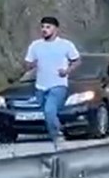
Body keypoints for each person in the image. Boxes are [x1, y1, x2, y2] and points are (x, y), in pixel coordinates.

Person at [24, 16, 81, 148]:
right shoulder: (35, 45)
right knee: (47, 112)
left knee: (50, 110)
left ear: (56, 29)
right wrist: (31, 65)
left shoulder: (65, 45)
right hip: (40, 86)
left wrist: (67, 71)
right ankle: (57, 129)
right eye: (43, 27)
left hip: (58, 84)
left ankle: (57, 137)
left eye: (48, 27)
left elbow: (77, 61)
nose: (44, 30)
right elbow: (27, 64)